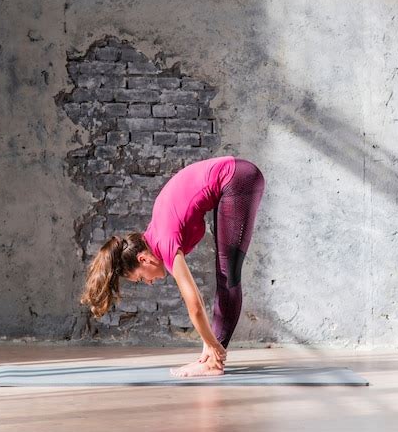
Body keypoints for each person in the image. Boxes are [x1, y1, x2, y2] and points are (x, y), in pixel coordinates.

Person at [80, 155, 265, 378]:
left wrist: (212, 344)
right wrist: (210, 342)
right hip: (232, 178)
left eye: (140, 278)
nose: (148, 282)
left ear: (143, 260)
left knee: (228, 275)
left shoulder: (164, 241)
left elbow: (194, 305)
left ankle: (213, 363)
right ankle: (209, 358)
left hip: (237, 178)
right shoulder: (156, 232)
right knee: (225, 273)